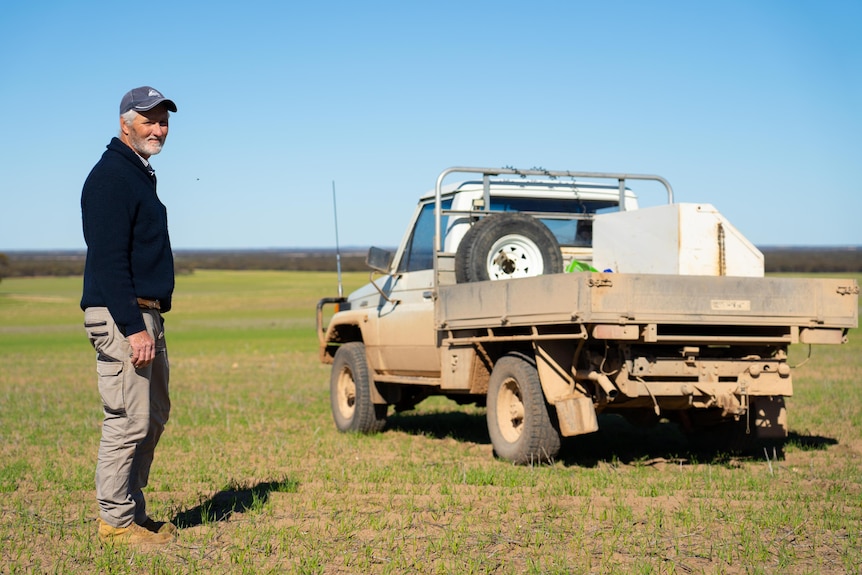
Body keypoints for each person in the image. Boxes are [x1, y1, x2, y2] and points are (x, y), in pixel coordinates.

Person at [80, 86, 179, 546]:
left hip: (145, 317)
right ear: (125, 124)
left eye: (163, 120)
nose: (158, 128)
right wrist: (134, 326)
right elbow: (108, 260)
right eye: (148, 120)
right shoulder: (111, 178)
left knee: (152, 414)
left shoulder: (137, 174)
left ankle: (131, 512)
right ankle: (115, 523)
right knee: (127, 419)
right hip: (125, 318)